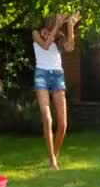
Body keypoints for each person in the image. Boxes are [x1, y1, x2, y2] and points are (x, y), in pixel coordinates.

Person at [32, 12, 80, 170]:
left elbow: (70, 47)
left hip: (57, 75)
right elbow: (45, 46)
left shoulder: (59, 34)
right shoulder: (36, 33)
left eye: (57, 18)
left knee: (63, 124)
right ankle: (52, 160)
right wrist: (59, 26)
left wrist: (70, 26)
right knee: (47, 119)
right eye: (54, 18)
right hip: (42, 75)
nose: (55, 19)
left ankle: (54, 155)